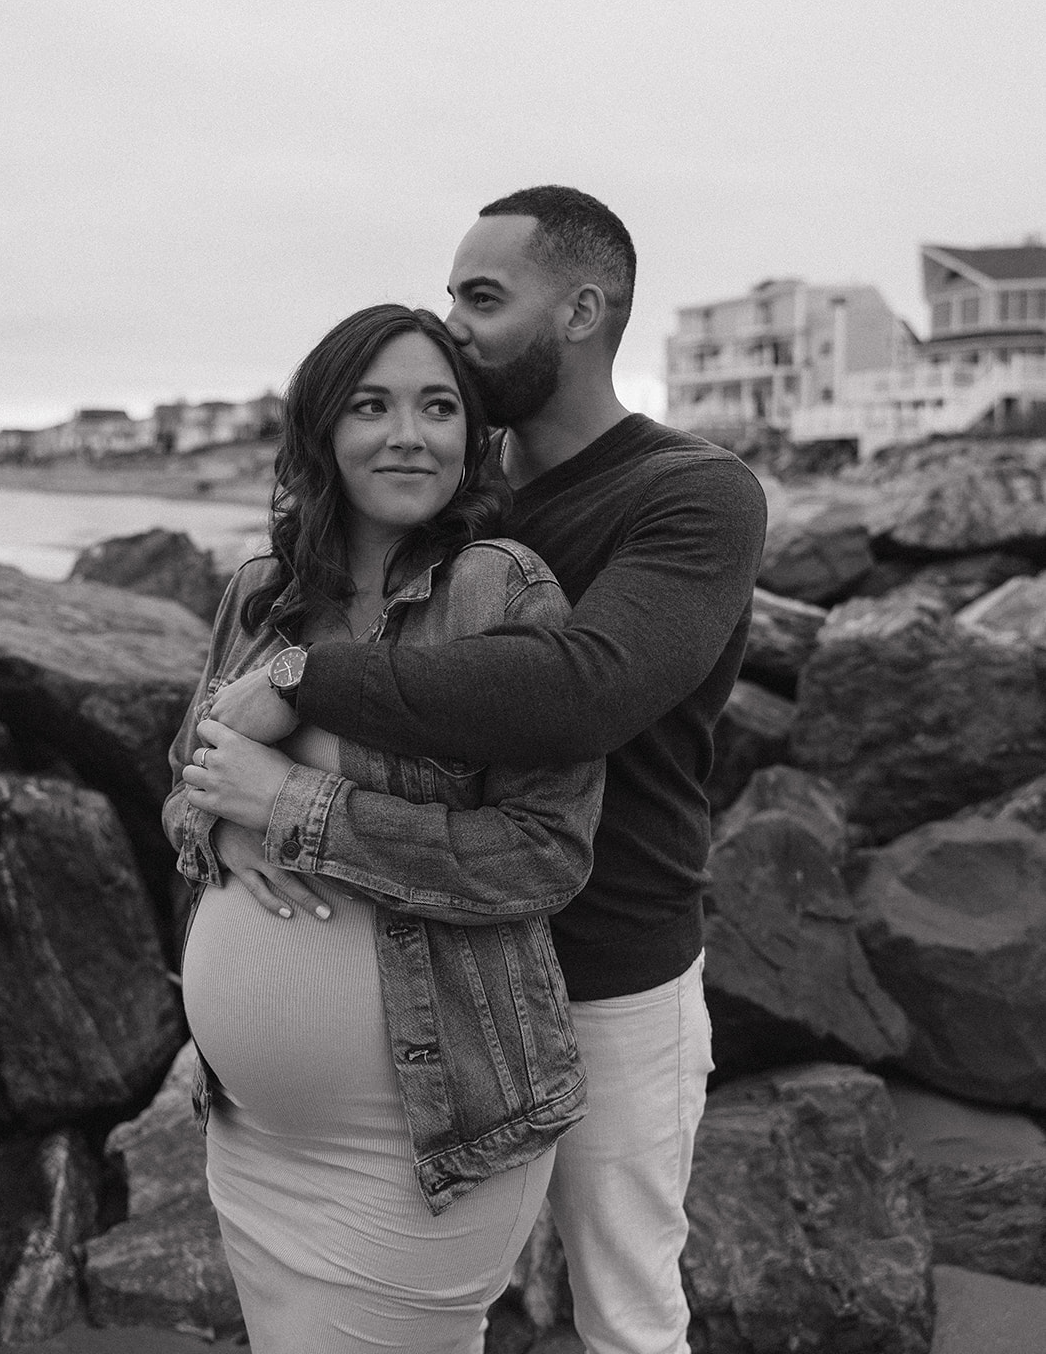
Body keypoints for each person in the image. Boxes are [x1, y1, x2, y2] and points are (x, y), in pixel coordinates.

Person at [209, 187, 769, 1354]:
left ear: (578, 310)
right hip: (433, 965)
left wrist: (305, 682)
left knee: (623, 1310)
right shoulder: (453, 486)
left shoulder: (690, 492)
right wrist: (218, 814)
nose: (450, 324)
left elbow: (576, 691)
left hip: (608, 961)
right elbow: (246, 714)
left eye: (480, 297)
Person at [162, 303, 604, 1354]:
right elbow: (186, 778)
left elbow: (542, 851)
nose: (409, 432)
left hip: (421, 1135)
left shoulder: (501, 589)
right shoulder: (262, 594)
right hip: (251, 1130)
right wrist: (219, 832)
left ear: (470, 436)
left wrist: (291, 809)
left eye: (437, 406)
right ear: (321, 429)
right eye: (372, 405)